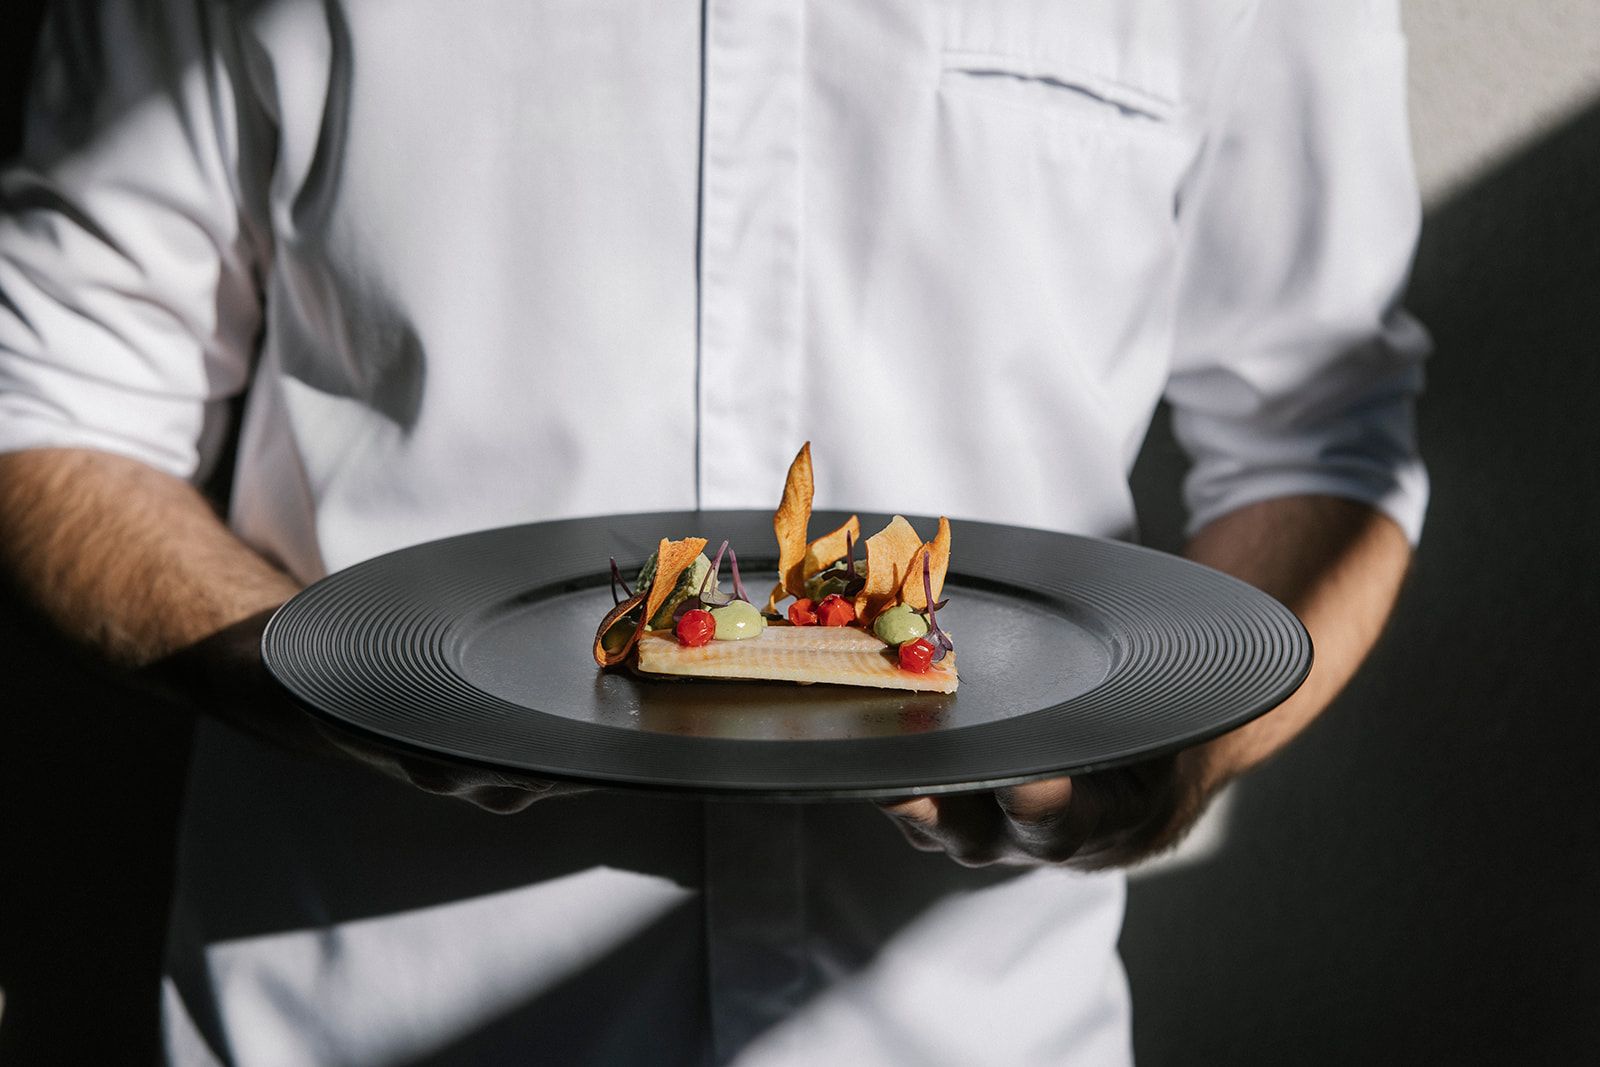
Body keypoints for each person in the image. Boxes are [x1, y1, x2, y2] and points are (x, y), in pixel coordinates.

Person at [0, 0, 1426, 1063]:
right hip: (355, 1014)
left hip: (977, 1032)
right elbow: (51, 395)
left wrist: (1178, 758)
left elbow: (1319, 433)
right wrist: (326, 677)